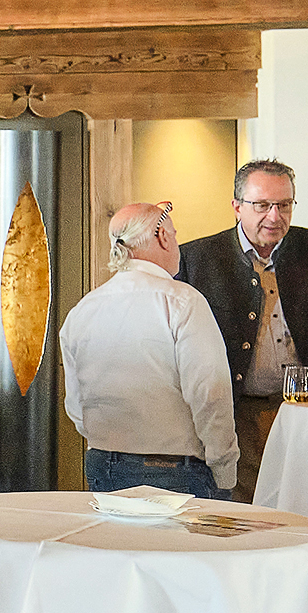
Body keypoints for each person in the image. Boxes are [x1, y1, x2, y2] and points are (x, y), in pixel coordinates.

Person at [177, 157, 308, 502]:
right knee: (240, 517)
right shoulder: (198, 259)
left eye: (284, 205)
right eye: (261, 205)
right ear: (236, 207)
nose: (275, 217)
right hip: (234, 416)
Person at [58, 202, 240, 501]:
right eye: (175, 234)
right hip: (174, 472)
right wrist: (225, 470)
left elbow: (76, 407)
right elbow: (211, 395)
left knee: (114, 548)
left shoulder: (84, 309)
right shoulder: (182, 302)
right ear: (164, 238)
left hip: (103, 466)